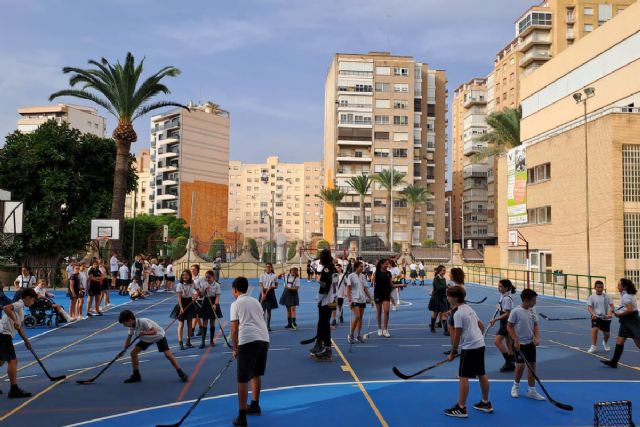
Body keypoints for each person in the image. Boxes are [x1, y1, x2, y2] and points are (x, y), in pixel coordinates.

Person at [445, 285, 493, 418]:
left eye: (449, 296)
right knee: (481, 373)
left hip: (470, 347)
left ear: (455, 298)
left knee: (463, 376)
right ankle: (485, 403)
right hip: (480, 344)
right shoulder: (468, 308)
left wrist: (452, 353)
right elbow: (481, 326)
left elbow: (456, 335)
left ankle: (461, 407)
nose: (447, 298)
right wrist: (476, 339)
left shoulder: (459, 314)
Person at [230, 277, 270, 427]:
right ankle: (255, 405)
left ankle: (242, 417)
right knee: (256, 373)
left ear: (235, 290)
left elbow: (234, 329)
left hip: (248, 340)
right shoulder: (255, 302)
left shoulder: (236, 304)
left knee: (242, 378)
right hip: (264, 338)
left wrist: (235, 348)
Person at [118, 309, 188, 384]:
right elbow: (128, 338)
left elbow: (154, 331)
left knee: (168, 355)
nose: (124, 325)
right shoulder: (131, 326)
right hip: (146, 339)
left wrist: (144, 333)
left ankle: (181, 372)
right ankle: (136, 375)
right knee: (133, 354)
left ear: (130, 320)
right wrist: (124, 350)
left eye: (124, 323)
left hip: (158, 336)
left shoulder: (143, 321)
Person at [507, 288, 545, 400]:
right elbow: (509, 326)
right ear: (525, 300)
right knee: (520, 366)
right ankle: (515, 386)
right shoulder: (516, 311)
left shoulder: (533, 309)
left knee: (532, 366)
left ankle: (531, 390)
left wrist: (537, 337)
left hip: (530, 343)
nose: (535, 303)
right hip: (520, 344)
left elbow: (536, 325)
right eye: (533, 300)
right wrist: (516, 340)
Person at [1, 288, 37, 398]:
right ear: (27, 298)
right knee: (13, 361)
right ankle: (14, 389)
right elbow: (6, 308)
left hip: (3, 334)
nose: (33, 302)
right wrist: (14, 320)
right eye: (33, 300)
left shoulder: (21, 309)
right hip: (3, 335)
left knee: (1, 361)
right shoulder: (19, 304)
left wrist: (26, 341)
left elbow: (19, 328)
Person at [601, 278, 640, 368]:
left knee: (638, 343)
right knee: (620, 340)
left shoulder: (626, 296)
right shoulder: (627, 294)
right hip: (627, 321)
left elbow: (630, 310)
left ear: (624, 287)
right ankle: (614, 362)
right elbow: (627, 308)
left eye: (619, 285)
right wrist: (619, 312)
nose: (617, 287)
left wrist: (619, 315)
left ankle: (614, 362)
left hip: (631, 321)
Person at [310, 249, 337, 359]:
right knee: (323, 323)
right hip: (332, 299)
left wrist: (319, 299)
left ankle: (326, 347)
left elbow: (324, 287)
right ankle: (320, 344)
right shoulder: (333, 268)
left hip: (326, 300)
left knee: (324, 324)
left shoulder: (327, 270)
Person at [489, 279, 516, 371]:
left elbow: (507, 314)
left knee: (497, 341)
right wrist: (499, 307)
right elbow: (503, 308)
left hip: (507, 322)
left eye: (500, 286)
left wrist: (495, 319)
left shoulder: (506, 299)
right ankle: (512, 362)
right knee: (508, 343)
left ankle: (508, 362)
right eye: (498, 286)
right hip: (506, 322)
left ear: (506, 288)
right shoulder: (503, 296)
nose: (498, 288)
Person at [347, 261, 372, 344]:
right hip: (354, 299)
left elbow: (365, 288)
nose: (362, 268)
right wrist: (350, 300)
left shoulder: (363, 276)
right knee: (357, 316)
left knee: (360, 318)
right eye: (360, 266)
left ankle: (358, 336)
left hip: (362, 299)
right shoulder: (351, 276)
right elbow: (348, 289)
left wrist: (370, 298)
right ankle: (350, 335)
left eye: (362, 267)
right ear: (356, 267)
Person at [196, 270, 223, 348]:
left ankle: (211, 341)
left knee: (212, 322)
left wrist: (215, 304)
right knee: (205, 321)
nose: (207, 279)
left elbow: (217, 296)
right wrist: (204, 291)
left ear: (213, 277)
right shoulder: (204, 284)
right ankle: (203, 342)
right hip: (206, 302)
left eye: (209, 277)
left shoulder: (217, 285)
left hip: (213, 302)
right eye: (206, 277)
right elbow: (201, 296)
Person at [170, 270, 197, 350]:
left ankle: (188, 341)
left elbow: (197, 291)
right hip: (182, 303)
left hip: (190, 303)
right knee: (181, 324)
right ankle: (180, 342)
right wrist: (181, 307)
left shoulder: (192, 284)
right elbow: (179, 297)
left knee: (189, 324)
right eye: (183, 275)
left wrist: (195, 295)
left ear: (189, 276)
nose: (185, 276)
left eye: (187, 275)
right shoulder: (179, 285)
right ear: (181, 276)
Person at [587, 280, 614, 353]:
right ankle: (593, 346)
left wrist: (610, 313)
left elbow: (611, 306)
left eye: (601, 287)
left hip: (605, 317)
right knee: (595, 329)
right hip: (596, 317)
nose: (600, 289)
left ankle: (605, 342)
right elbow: (589, 307)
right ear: (595, 288)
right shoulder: (591, 297)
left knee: (607, 334)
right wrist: (593, 314)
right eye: (598, 287)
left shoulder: (607, 296)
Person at [374, 258, 393, 337]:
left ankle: (385, 330)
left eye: (387, 264)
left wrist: (401, 285)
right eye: (385, 263)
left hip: (386, 294)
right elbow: (375, 282)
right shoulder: (377, 272)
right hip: (378, 294)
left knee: (386, 311)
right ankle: (379, 329)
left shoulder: (389, 273)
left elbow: (391, 285)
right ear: (381, 264)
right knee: (379, 312)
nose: (387, 265)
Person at [429, 265, 449, 333]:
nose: (444, 272)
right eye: (443, 270)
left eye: (445, 270)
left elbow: (443, 288)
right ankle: (432, 327)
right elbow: (438, 287)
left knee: (444, 313)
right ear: (439, 271)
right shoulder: (436, 278)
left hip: (443, 297)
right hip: (436, 297)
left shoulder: (444, 278)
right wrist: (446, 286)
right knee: (435, 313)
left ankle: (446, 330)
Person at [259, 263, 278, 332]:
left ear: (271, 268)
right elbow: (261, 285)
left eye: (269, 267)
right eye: (266, 267)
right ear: (265, 268)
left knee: (269, 311)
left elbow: (276, 286)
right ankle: (263, 325)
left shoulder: (274, 276)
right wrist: (263, 294)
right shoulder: (262, 275)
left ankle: (268, 326)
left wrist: (272, 287)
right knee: (262, 311)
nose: (268, 268)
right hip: (263, 291)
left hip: (271, 293)